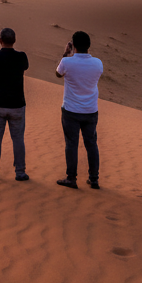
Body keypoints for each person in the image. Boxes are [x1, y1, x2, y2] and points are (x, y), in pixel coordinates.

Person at [55, 31, 104, 189]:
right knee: (91, 144)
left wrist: (66, 53)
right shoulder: (98, 63)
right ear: (89, 46)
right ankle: (94, 178)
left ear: (73, 45)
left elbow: (58, 74)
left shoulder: (67, 62)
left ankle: (71, 178)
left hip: (71, 110)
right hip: (90, 110)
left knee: (71, 144)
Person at [0, 27, 29, 181]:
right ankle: (20, 172)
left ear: (0, 40)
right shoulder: (21, 57)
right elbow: (25, 67)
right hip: (17, 104)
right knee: (18, 139)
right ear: (14, 40)